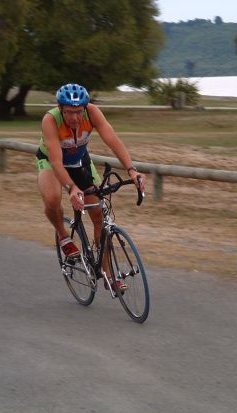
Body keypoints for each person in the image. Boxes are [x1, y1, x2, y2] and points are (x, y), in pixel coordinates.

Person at [36, 83, 146, 291]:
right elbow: (57, 162)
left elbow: (112, 140)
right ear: (60, 108)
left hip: (79, 162)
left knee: (98, 217)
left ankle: (107, 275)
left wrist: (132, 170)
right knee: (52, 198)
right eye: (69, 112)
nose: (75, 118)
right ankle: (63, 236)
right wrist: (71, 187)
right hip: (52, 162)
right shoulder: (50, 120)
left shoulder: (93, 113)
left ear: (85, 108)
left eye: (78, 112)